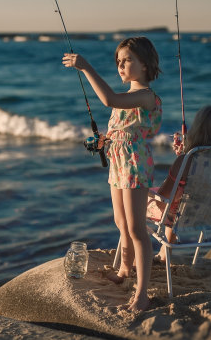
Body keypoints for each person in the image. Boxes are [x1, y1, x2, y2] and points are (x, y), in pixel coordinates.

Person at [62, 37, 162, 312]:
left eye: (126, 59)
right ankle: (124, 270)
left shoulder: (145, 95)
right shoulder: (128, 98)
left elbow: (109, 99)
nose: (120, 65)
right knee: (120, 222)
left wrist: (85, 67)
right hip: (119, 162)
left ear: (145, 63)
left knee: (136, 229)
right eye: (118, 61)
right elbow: (124, 128)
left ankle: (142, 293)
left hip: (134, 164)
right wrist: (106, 139)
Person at [151, 105, 211, 263]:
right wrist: (184, 156)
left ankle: (137, 255)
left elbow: (163, 196)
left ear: (198, 130)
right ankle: (165, 253)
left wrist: (181, 159)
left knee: (148, 200)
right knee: (179, 201)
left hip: (181, 215)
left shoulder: (187, 160)